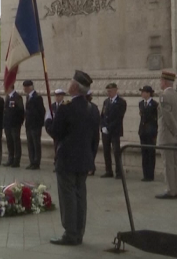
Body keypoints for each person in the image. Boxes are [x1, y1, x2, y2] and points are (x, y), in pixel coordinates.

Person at [45, 70, 100, 246]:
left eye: (70, 82)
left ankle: (70, 233)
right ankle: (79, 232)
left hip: (67, 160)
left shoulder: (66, 108)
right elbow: (94, 139)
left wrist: (48, 122)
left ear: (75, 87)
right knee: (80, 195)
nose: (68, 85)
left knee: (68, 196)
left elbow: (56, 133)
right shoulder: (93, 109)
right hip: (84, 160)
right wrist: (91, 159)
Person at [156, 71, 177, 200]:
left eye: (160, 81)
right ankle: (176, 189)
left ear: (164, 81)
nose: (160, 83)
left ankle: (170, 190)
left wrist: (176, 131)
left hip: (167, 136)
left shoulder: (164, 96)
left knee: (168, 164)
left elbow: (167, 116)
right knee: (176, 165)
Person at [100, 83, 127, 179]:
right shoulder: (106, 102)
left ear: (116, 90)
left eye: (110, 91)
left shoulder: (121, 102)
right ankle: (108, 170)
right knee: (106, 151)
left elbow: (119, 118)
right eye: (107, 91)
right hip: (105, 131)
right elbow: (102, 115)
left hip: (115, 130)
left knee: (116, 151)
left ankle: (119, 172)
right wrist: (102, 126)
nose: (109, 93)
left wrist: (109, 127)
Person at [23, 80, 45, 170]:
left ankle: (36, 162)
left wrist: (39, 123)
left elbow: (41, 111)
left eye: (25, 87)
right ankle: (32, 161)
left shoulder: (37, 97)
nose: (24, 89)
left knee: (36, 144)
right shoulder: (28, 97)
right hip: (29, 125)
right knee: (30, 144)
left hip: (35, 125)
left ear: (29, 87)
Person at [138, 86, 158, 181]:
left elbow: (155, 119)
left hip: (151, 131)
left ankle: (150, 175)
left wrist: (154, 131)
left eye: (143, 92)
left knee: (150, 153)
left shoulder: (155, 104)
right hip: (143, 131)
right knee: (144, 153)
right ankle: (145, 174)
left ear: (149, 93)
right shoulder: (141, 104)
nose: (142, 93)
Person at [3, 82, 25, 168]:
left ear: (10, 88)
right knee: (9, 141)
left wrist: (19, 122)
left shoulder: (17, 97)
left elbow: (21, 110)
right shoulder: (7, 97)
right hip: (8, 124)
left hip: (15, 124)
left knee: (16, 142)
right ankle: (10, 158)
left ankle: (16, 160)